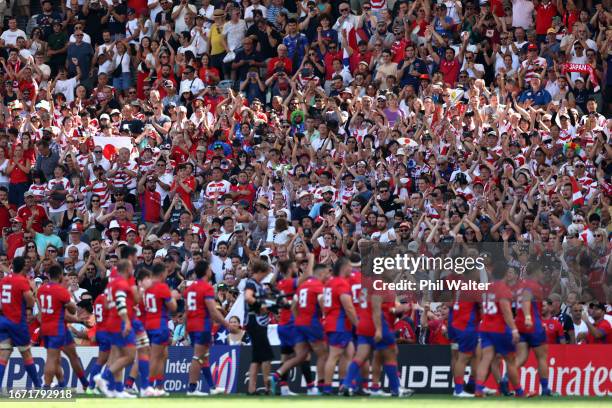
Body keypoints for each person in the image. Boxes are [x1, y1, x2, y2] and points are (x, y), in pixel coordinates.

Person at [184, 260, 234, 396]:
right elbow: (213, 311)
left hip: (192, 325)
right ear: (206, 271)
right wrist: (226, 323)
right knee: (198, 357)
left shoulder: (189, 288)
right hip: (202, 325)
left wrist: (185, 328)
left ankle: (212, 387)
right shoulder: (207, 288)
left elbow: (187, 310)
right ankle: (192, 389)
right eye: (209, 268)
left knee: (204, 357)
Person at [39, 263, 89, 390]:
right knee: (53, 359)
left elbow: (48, 312)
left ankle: (83, 384)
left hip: (47, 327)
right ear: (60, 276)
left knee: (67, 356)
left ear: (49, 276)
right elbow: (72, 311)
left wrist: (77, 319)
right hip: (57, 328)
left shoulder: (41, 290)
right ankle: (46, 387)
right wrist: (71, 306)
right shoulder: (61, 291)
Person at [0, 257, 41, 389]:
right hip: (17, 322)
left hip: (4, 320)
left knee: (4, 354)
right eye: (27, 264)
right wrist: (29, 304)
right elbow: (30, 300)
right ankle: (39, 387)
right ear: (23, 267)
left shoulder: (4, 280)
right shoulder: (22, 280)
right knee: (26, 354)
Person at [143, 263, 177, 395]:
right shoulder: (162, 287)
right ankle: (148, 387)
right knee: (156, 357)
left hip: (149, 324)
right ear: (162, 273)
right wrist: (173, 296)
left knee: (163, 355)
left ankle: (159, 387)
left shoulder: (146, 287)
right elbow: (173, 307)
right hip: (160, 325)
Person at [243, 260, 274, 395]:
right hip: (256, 322)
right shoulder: (251, 283)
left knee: (257, 358)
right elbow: (248, 297)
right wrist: (260, 306)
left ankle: (251, 389)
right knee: (267, 356)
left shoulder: (258, 284)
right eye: (265, 274)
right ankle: (268, 387)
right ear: (260, 272)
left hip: (257, 322)